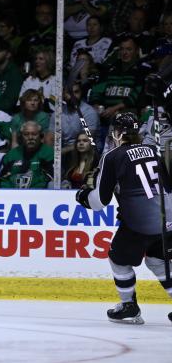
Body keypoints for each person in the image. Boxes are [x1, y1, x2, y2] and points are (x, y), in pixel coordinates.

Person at [76, 112, 172, 324]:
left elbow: (99, 202)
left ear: (116, 132)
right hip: (167, 219)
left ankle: (129, 306)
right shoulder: (154, 150)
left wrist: (83, 196)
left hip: (138, 223)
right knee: (158, 260)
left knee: (118, 259)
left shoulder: (112, 156)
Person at [0, 121, 53, 188]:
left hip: (38, 195)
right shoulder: (11, 155)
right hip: (12, 195)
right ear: (21, 137)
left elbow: (50, 179)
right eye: (26, 134)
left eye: (34, 134)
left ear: (41, 136)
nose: (30, 137)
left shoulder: (49, 153)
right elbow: (2, 180)